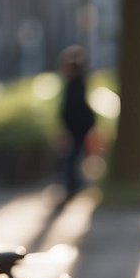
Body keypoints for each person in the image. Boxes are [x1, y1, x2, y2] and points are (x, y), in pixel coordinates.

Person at [58, 45, 96, 196]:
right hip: (77, 127)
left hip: (76, 128)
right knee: (74, 157)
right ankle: (74, 185)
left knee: (72, 158)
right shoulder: (77, 82)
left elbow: (72, 108)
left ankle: (72, 187)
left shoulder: (76, 84)